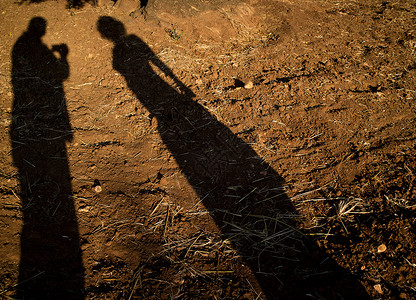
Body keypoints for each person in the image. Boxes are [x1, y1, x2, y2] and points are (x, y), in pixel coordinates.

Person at [97, 16, 368, 298]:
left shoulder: (125, 48)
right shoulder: (129, 45)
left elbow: (151, 65)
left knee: (190, 129)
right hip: (159, 98)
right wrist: (177, 83)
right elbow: (158, 64)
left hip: (154, 98)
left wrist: (176, 83)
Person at [11, 17, 84, 299]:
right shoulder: (37, 49)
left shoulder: (22, 47)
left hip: (27, 119)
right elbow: (60, 75)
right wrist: (63, 57)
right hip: (40, 119)